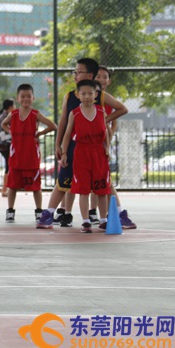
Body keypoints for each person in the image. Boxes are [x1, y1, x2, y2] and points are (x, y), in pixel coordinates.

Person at [36, 58, 127, 229]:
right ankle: (48, 214)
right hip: (74, 148)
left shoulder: (100, 97)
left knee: (104, 185)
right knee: (63, 182)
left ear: (90, 75)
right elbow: (63, 122)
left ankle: (118, 215)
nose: (75, 75)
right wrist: (59, 145)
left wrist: (104, 120)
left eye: (78, 71)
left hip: (96, 149)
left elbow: (123, 109)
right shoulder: (70, 96)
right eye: (75, 72)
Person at [59, 80, 110, 233]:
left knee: (102, 189)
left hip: (98, 154)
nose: (87, 96)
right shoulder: (74, 113)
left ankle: (103, 220)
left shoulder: (101, 111)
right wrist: (64, 153)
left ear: (96, 94)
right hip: (81, 153)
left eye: (90, 93)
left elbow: (106, 131)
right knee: (83, 190)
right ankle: (86, 221)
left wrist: (107, 147)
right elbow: (67, 135)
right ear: (78, 95)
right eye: (83, 93)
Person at [2, 85, 57, 223]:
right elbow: (3, 124)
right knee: (12, 186)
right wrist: (11, 132)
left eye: (28, 96)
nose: (26, 99)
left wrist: (40, 133)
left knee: (36, 187)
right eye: (23, 96)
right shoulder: (13, 114)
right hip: (16, 157)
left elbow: (53, 126)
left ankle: (39, 211)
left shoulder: (35, 114)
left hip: (31, 157)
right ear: (18, 98)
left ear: (33, 98)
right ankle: (10, 211)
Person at [94, 66, 137, 229]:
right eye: (98, 76)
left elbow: (114, 120)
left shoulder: (106, 98)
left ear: (109, 81)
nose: (101, 79)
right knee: (84, 185)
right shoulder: (86, 97)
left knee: (104, 183)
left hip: (99, 145)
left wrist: (108, 134)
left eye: (104, 77)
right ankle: (66, 212)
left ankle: (116, 215)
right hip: (84, 146)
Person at [0, 99, 15, 197]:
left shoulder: (3, 115)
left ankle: (5, 187)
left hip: (5, 145)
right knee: (8, 167)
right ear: (10, 107)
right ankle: (4, 189)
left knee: (9, 166)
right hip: (6, 145)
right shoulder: (6, 117)